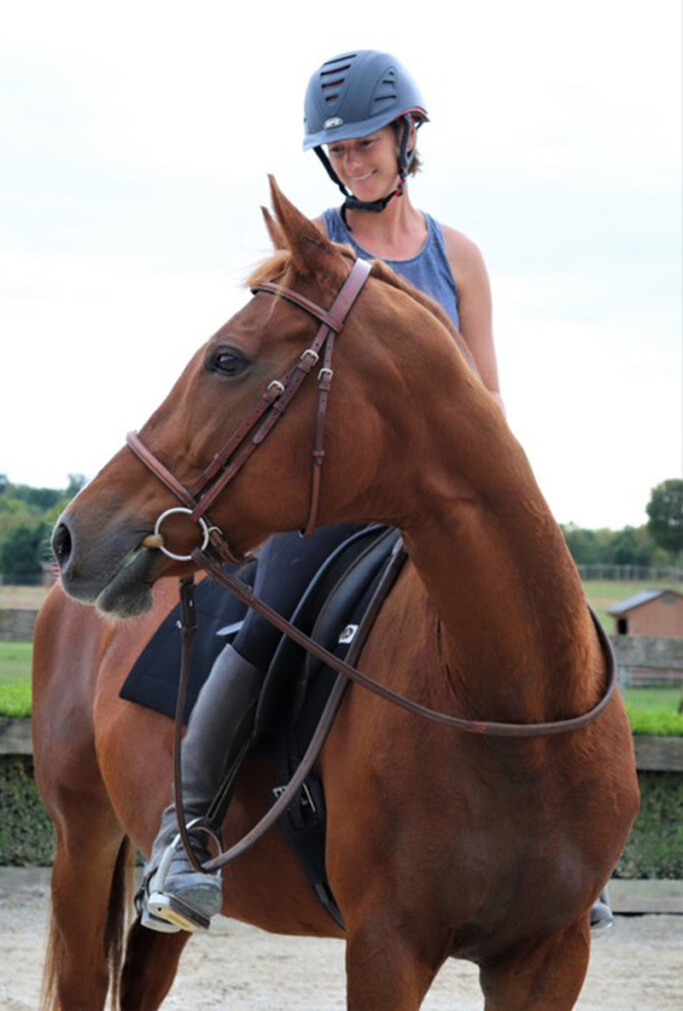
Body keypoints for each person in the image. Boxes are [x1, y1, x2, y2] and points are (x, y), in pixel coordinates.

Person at [140, 50, 611, 935]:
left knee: (553, 622)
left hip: (436, 504)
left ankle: (574, 852)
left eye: (364, 144)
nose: (352, 161)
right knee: (262, 630)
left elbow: (487, 395)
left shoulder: (456, 256)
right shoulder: (311, 253)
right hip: (333, 506)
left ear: (406, 137)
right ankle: (184, 839)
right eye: (338, 150)